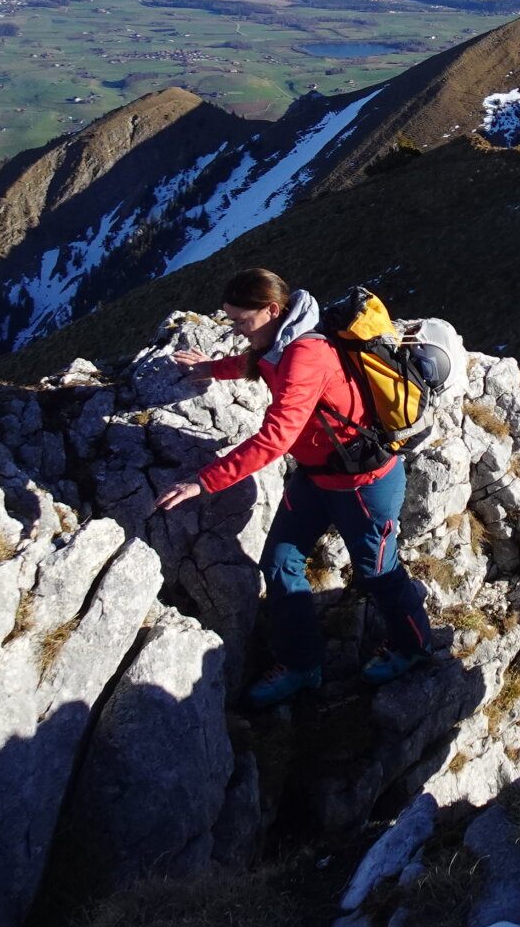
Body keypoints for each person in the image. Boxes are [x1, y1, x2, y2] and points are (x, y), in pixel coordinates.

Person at [153, 267, 432, 709]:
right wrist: (211, 369)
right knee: (280, 562)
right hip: (317, 475)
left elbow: (275, 438)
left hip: (362, 483)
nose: (237, 330)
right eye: (231, 320)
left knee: (377, 572)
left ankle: (414, 646)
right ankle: (302, 665)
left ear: (272, 310)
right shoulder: (279, 340)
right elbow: (258, 364)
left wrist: (203, 481)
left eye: (242, 321)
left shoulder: (305, 353)